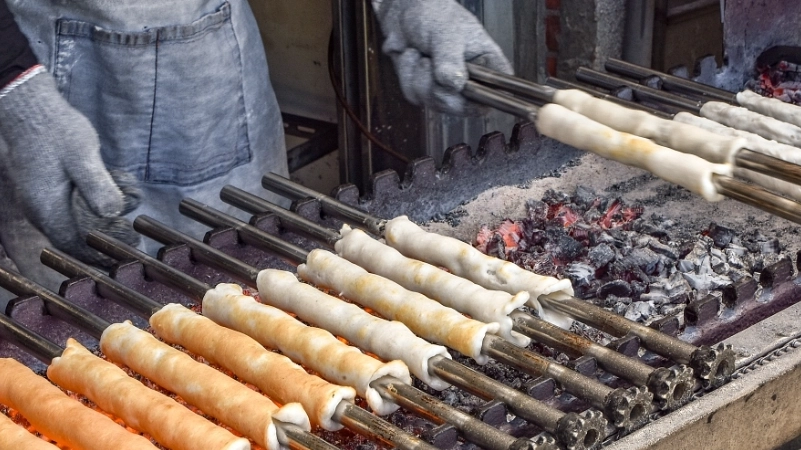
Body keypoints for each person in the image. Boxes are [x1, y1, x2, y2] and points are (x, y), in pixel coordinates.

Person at [0, 0, 512, 304]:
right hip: (50, 75)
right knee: (89, 348)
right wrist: (17, 93)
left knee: (251, 307)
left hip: (203, 59)